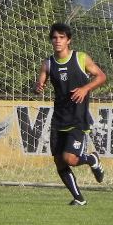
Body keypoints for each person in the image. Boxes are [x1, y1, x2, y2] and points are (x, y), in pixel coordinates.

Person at [34, 22, 106, 205]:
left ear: (68, 40)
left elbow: (101, 76)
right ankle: (79, 198)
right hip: (59, 119)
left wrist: (85, 88)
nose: (57, 41)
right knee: (59, 161)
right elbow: (39, 84)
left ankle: (91, 159)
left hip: (78, 119)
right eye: (54, 38)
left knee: (70, 159)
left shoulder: (80, 58)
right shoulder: (48, 63)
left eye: (61, 37)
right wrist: (38, 87)